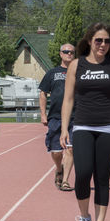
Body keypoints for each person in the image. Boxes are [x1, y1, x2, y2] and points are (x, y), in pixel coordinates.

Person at [60, 22, 110, 221]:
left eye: (107, 41)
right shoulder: (76, 65)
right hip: (82, 125)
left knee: (102, 177)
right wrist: (64, 128)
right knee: (82, 173)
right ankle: (84, 218)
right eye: (98, 40)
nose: (103, 44)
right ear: (90, 41)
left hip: (109, 126)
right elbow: (68, 99)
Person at [39, 43, 76, 191]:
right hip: (55, 117)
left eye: (72, 52)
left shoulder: (78, 72)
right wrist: (43, 114)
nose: (69, 54)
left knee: (70, 149)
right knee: (56, 152)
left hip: (74, 116)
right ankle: (58, 168)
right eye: (66, 52)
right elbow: (43, 93)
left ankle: (66, 180)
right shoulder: (52, 73)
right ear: (61, 54)